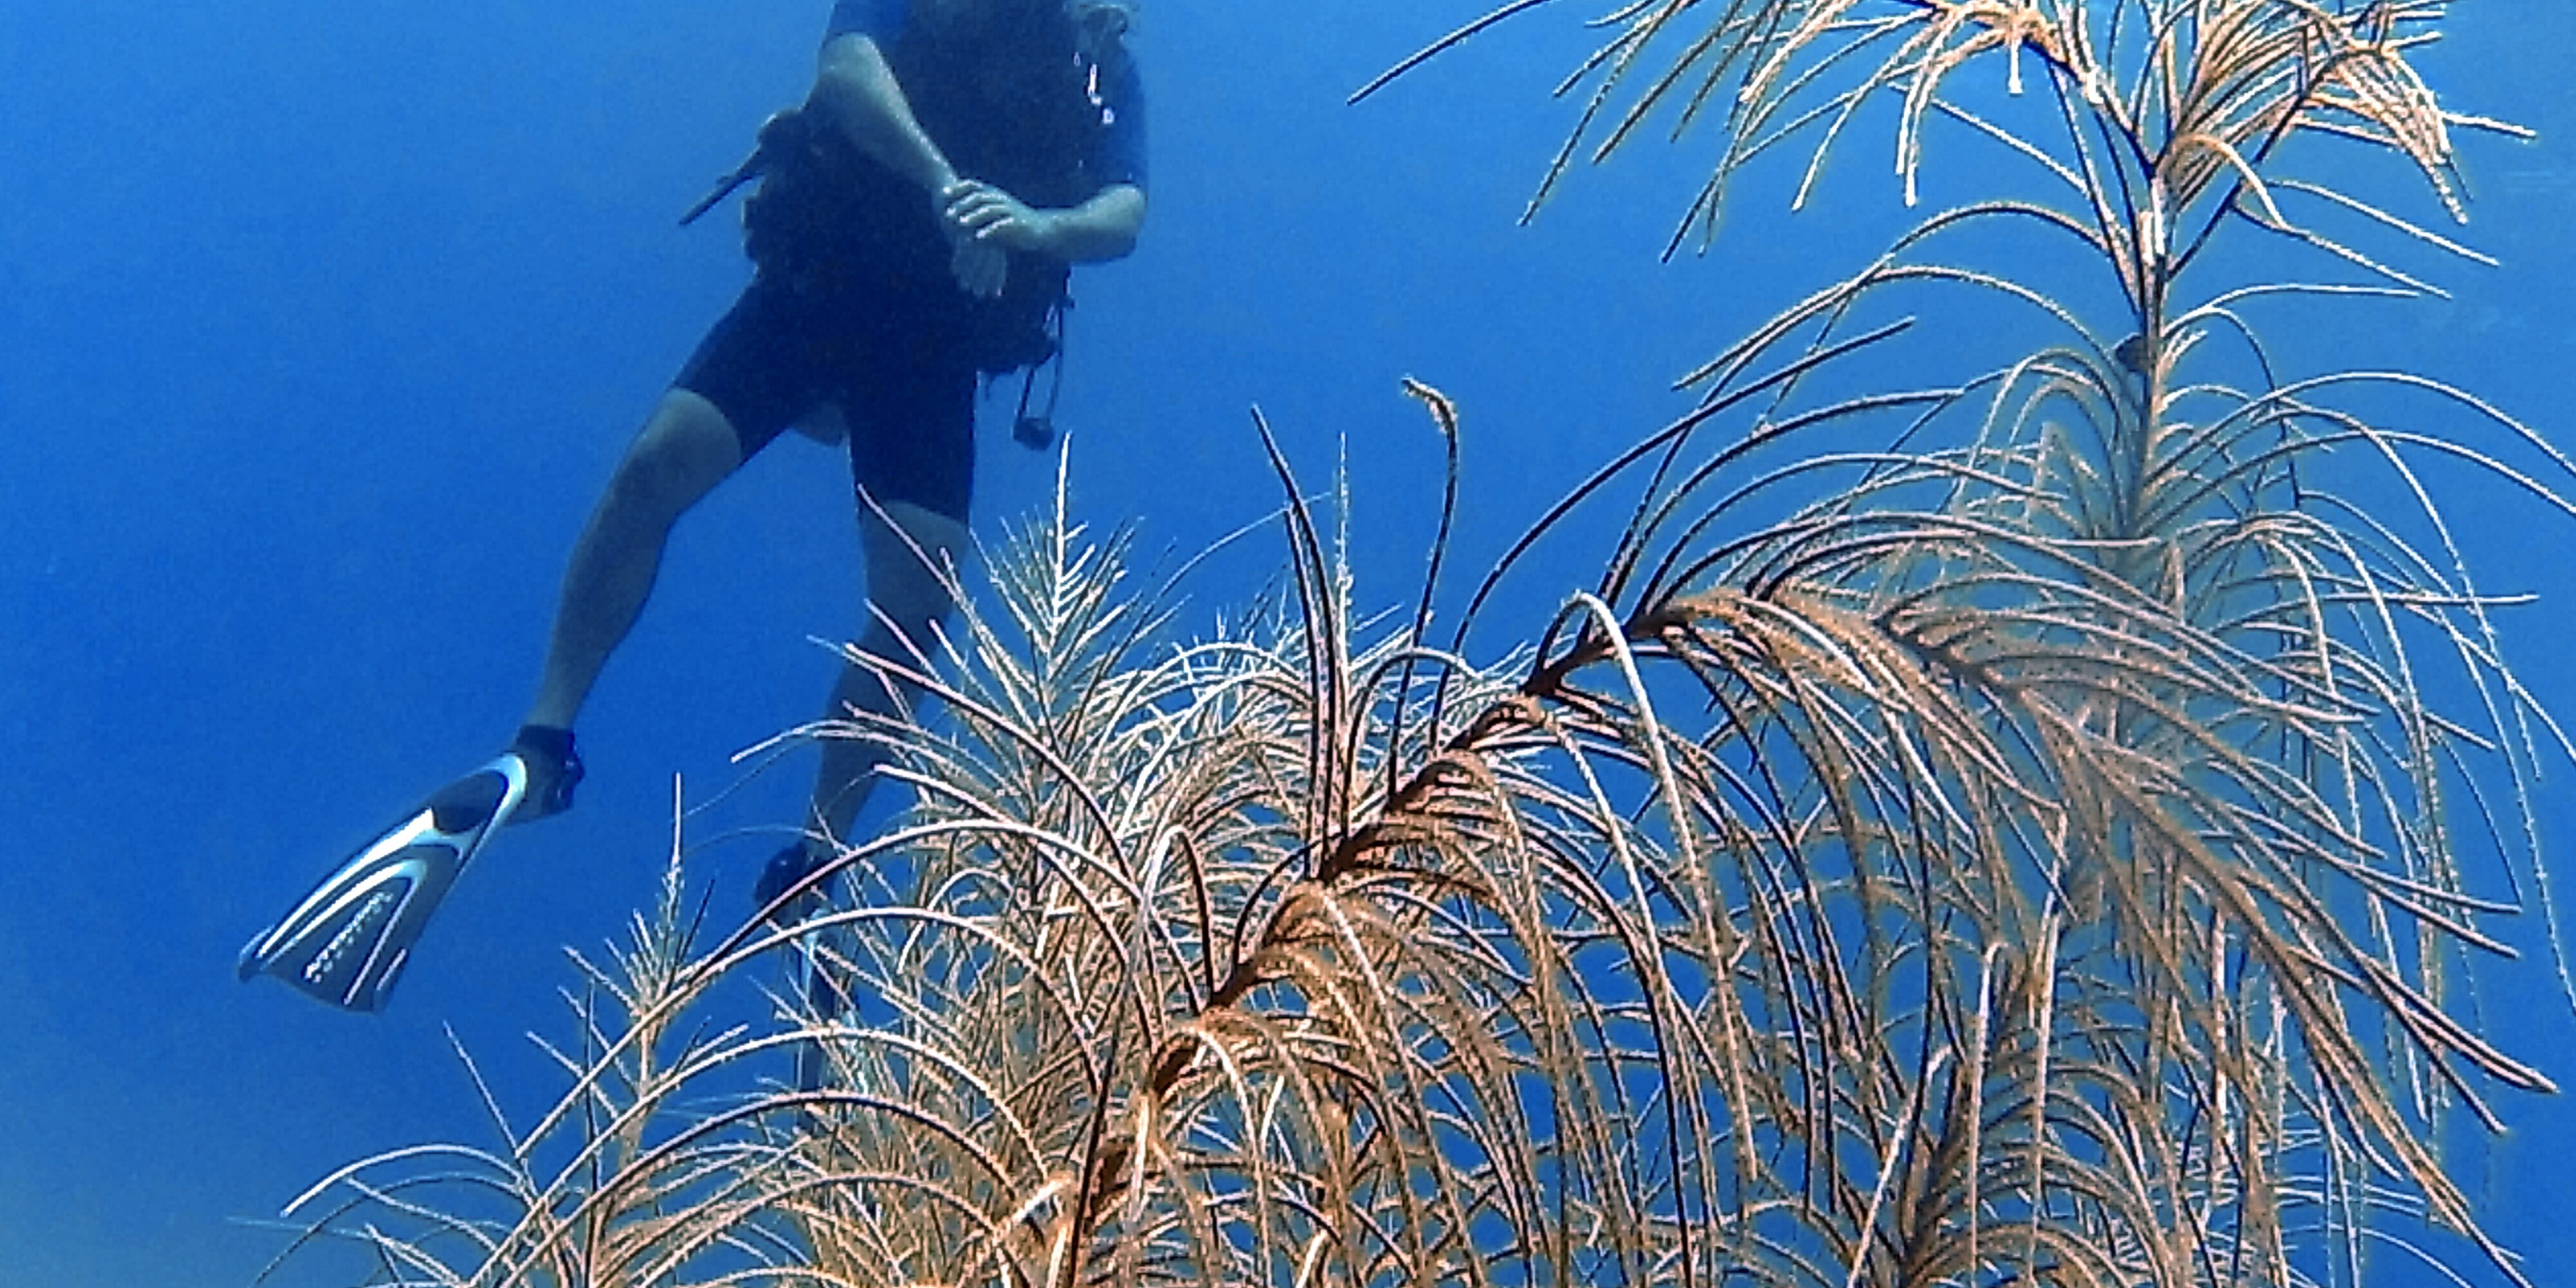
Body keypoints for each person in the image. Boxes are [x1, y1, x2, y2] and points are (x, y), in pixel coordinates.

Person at [509, 0, 1147, 890]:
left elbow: (1123, 212)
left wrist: (1031, 228)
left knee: (918, 601)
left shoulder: (1096, 62)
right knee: (657, 466)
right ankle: (542, 739)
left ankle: (819, 849)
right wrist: (945, 190)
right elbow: (846, 70)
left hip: (933, 338)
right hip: (829, 277)